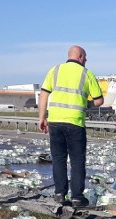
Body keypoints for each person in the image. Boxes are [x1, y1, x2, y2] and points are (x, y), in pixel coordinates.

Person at [38, 45, 104, 206]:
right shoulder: (86, 74)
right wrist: (86, 102)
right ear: (80, 57)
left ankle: (60, 194)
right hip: (75, 123)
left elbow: (44, 95)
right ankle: (77, 197)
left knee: (59, 159)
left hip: (55, 122)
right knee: (77, 161)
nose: (86, 61)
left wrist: (41, 118)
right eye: (85, 58)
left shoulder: (55, 70)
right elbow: (99, 100)